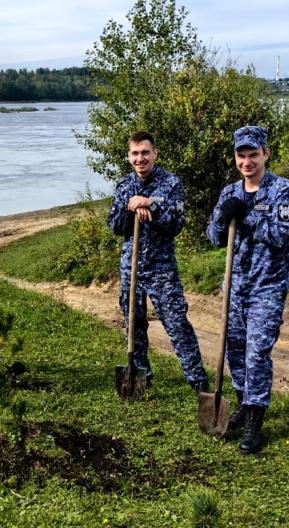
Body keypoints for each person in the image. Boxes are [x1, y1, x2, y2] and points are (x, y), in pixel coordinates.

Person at [206, 125, 289, 454]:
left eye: (253, 155)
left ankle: (253, 422)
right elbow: (214, 236)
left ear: (266, 154)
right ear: (235, 158)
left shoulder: (282, 191)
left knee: (257, 354)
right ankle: (243, 404)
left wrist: (246, 218)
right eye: (241, 156)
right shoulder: (230, 192)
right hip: (234, 287)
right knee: (235, 354)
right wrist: (223, 219)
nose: (247, 161)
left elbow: (281, 235)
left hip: (267, 288)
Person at [108, 131, 210, 393]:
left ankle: (199, 383)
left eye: (145, 153)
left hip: (161, 268)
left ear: (155, 154)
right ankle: (141, 375)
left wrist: (151, 206)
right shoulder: (123, 186)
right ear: (129, 156)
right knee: (134, 324)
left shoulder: (170, 183)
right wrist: (129, 207)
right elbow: (116, 227)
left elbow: (176, 224)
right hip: (131, 268)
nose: (140, 158)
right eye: (135, 153)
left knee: (176, 323)